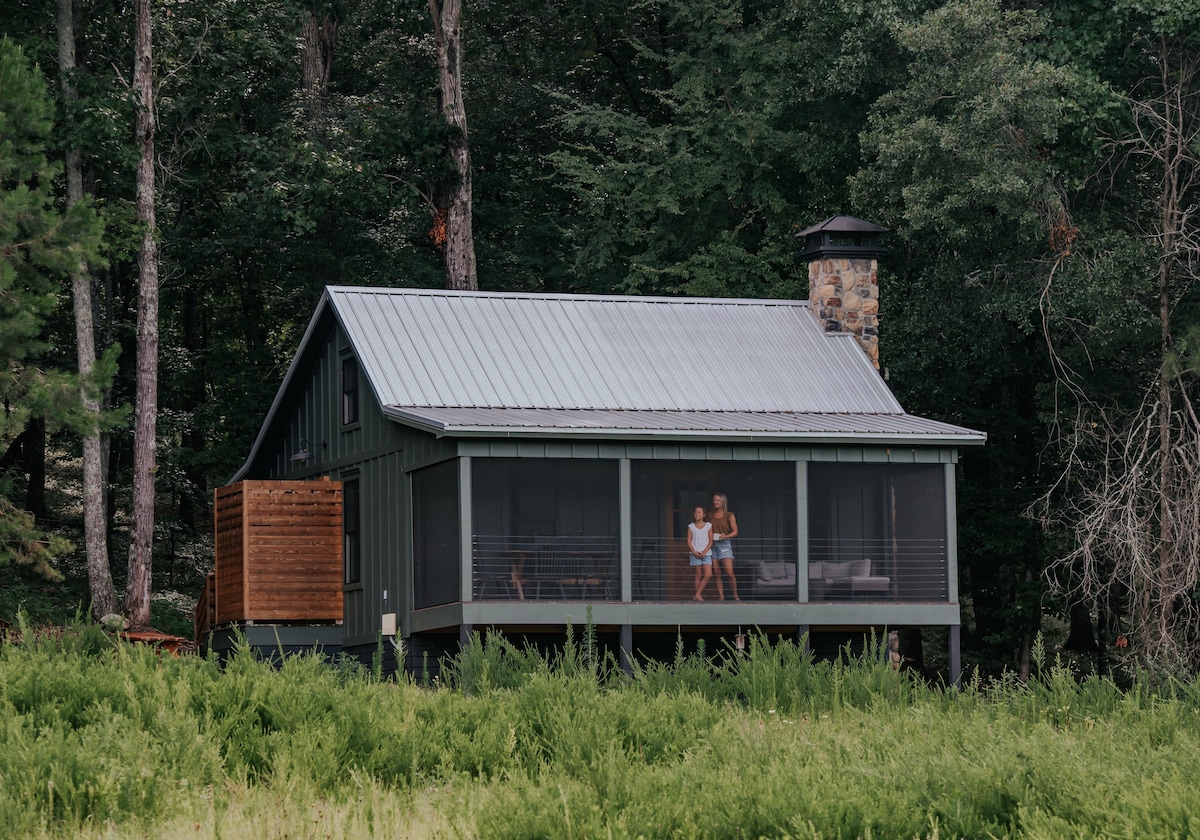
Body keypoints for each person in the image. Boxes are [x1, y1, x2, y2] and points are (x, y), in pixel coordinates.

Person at [710, 492, 739, 601]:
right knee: (716, 573)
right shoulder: (710, 515)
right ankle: (721, 597)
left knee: (729, 572)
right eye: (714, 500)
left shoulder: (729, 515)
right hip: (712, 544)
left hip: (725, 543)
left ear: (723, 502)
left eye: (717, 500)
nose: (715, 502)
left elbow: (735, 532)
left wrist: (725, 536)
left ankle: (735, 596)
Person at [687, 506, 714, 601]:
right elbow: (689, 541)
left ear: (704, 514)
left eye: (699, 512)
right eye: (695, 512)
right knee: (698, 574)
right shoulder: (691, 526)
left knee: (708, 574)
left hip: (706, 553)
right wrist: (694, 551)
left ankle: (697, 594)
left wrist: (705, 551)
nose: (696, 514)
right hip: (695, 552)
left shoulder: (708, 526)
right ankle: (699, 596)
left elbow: (711, 541)